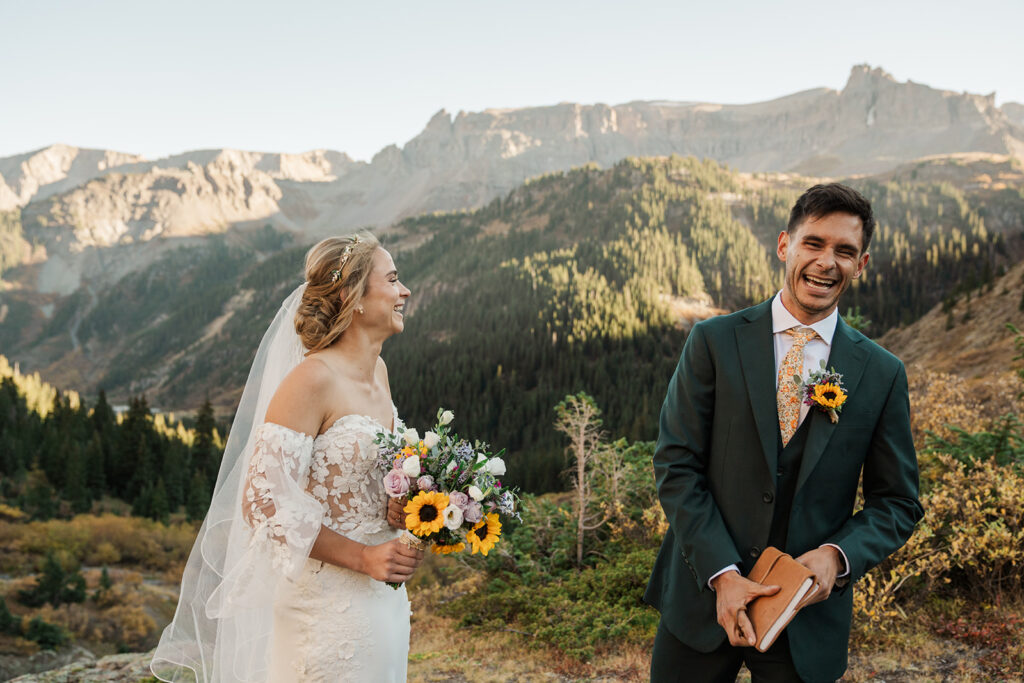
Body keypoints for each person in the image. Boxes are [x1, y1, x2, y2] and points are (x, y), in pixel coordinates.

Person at [644, 183, 924, 682]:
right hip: (700, 599)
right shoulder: (713, 341)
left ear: (861, 265)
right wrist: (722, 575)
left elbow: (898, 503)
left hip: (805, 620)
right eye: (813, 244)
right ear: (784, 246)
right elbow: (676, 464)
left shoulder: (882, 373)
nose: (826, 262)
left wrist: (837, 559)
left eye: (845, 251)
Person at [151, 233, 425, 682]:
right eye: (393, 280)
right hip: (328, 608)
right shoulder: (311, 380)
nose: (404, 291)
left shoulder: (379, 371)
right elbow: (262, 502)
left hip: (385, 601)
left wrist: (394, 505)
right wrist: (363, 557)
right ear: (351, 296)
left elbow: (352, 480)